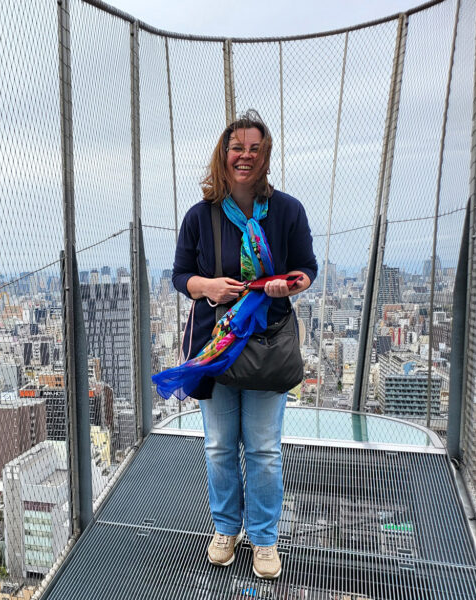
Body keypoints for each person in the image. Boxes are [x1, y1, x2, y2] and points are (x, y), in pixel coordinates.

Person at [170, 110, 317, 579]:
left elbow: (306, 269)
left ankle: (265, 539)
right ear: (224, 153)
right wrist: (208, 286)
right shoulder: (200, 216)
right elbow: (179, 276)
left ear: (266, 156)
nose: (245, 156)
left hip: (268, 342)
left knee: (263, 449)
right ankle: (226, 528)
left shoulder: (288, 211)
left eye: (255, 148)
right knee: (217, 445)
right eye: (238, 148)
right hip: (216, 346)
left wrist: (285, 286)